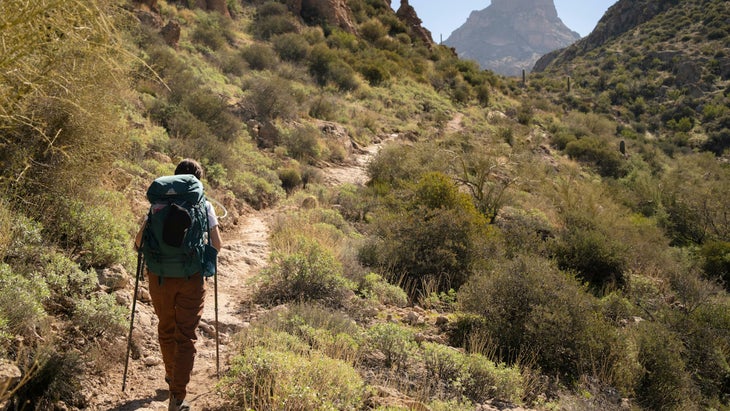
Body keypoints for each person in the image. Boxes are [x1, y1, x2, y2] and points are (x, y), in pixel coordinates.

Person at [134, 159, 222, 411]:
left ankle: (172, 375)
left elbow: (138, 243)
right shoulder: (203, 204)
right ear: (197, 181)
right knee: (186, 336)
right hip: (190, 279)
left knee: (166, 328)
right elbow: (217, 245)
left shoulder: (157, 205)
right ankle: (177, 397)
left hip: (159, 278)